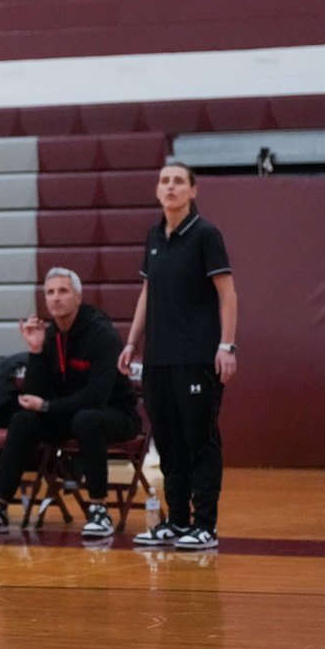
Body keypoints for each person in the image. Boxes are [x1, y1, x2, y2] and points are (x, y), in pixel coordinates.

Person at [0, 268, 141, 538]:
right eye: (50, 292)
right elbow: (33, 395)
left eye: (63, 291)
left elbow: (96, 397)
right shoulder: (50, 335)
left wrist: (48, 407)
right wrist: (36, 351)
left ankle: (99, 510)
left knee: (86, 419)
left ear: (78, 297)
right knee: (23, 419)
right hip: (69, 415)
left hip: (115, 414)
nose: (56, 298)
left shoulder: (101, 333)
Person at [119, 163, 237, 551]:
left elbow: (228, 294)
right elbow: (147, 292)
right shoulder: (154, 235)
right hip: (157, 359)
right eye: (164, 181)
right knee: (167, 442)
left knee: (199, 440)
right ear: (157, 190)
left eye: (178, 182)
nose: (170, 187)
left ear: (193, 191)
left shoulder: (206, 235)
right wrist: (132, 342)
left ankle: (205, 525)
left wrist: (226, 345)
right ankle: (176, 521)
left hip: (196, 356)